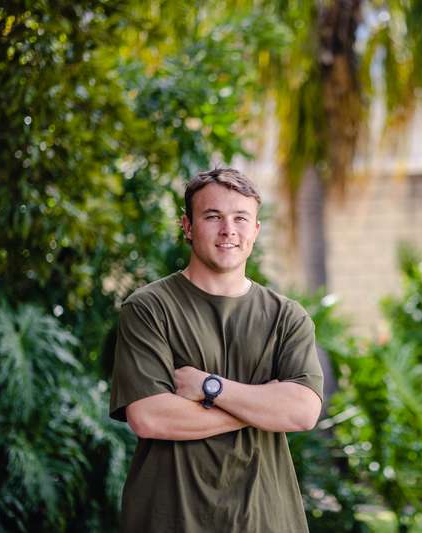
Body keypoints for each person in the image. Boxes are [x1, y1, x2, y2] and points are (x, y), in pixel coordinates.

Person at [109, 168, 324, 532]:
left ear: (255, 231)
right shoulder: (149, 308)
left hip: (266, 519)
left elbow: (302, 412)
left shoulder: (286, 317)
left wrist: (211, 389)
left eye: (241, 218)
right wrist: (262, 405)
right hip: (170, 518)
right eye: (213, 217)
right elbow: (150, 417)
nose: (229, 230)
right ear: (188, 226)